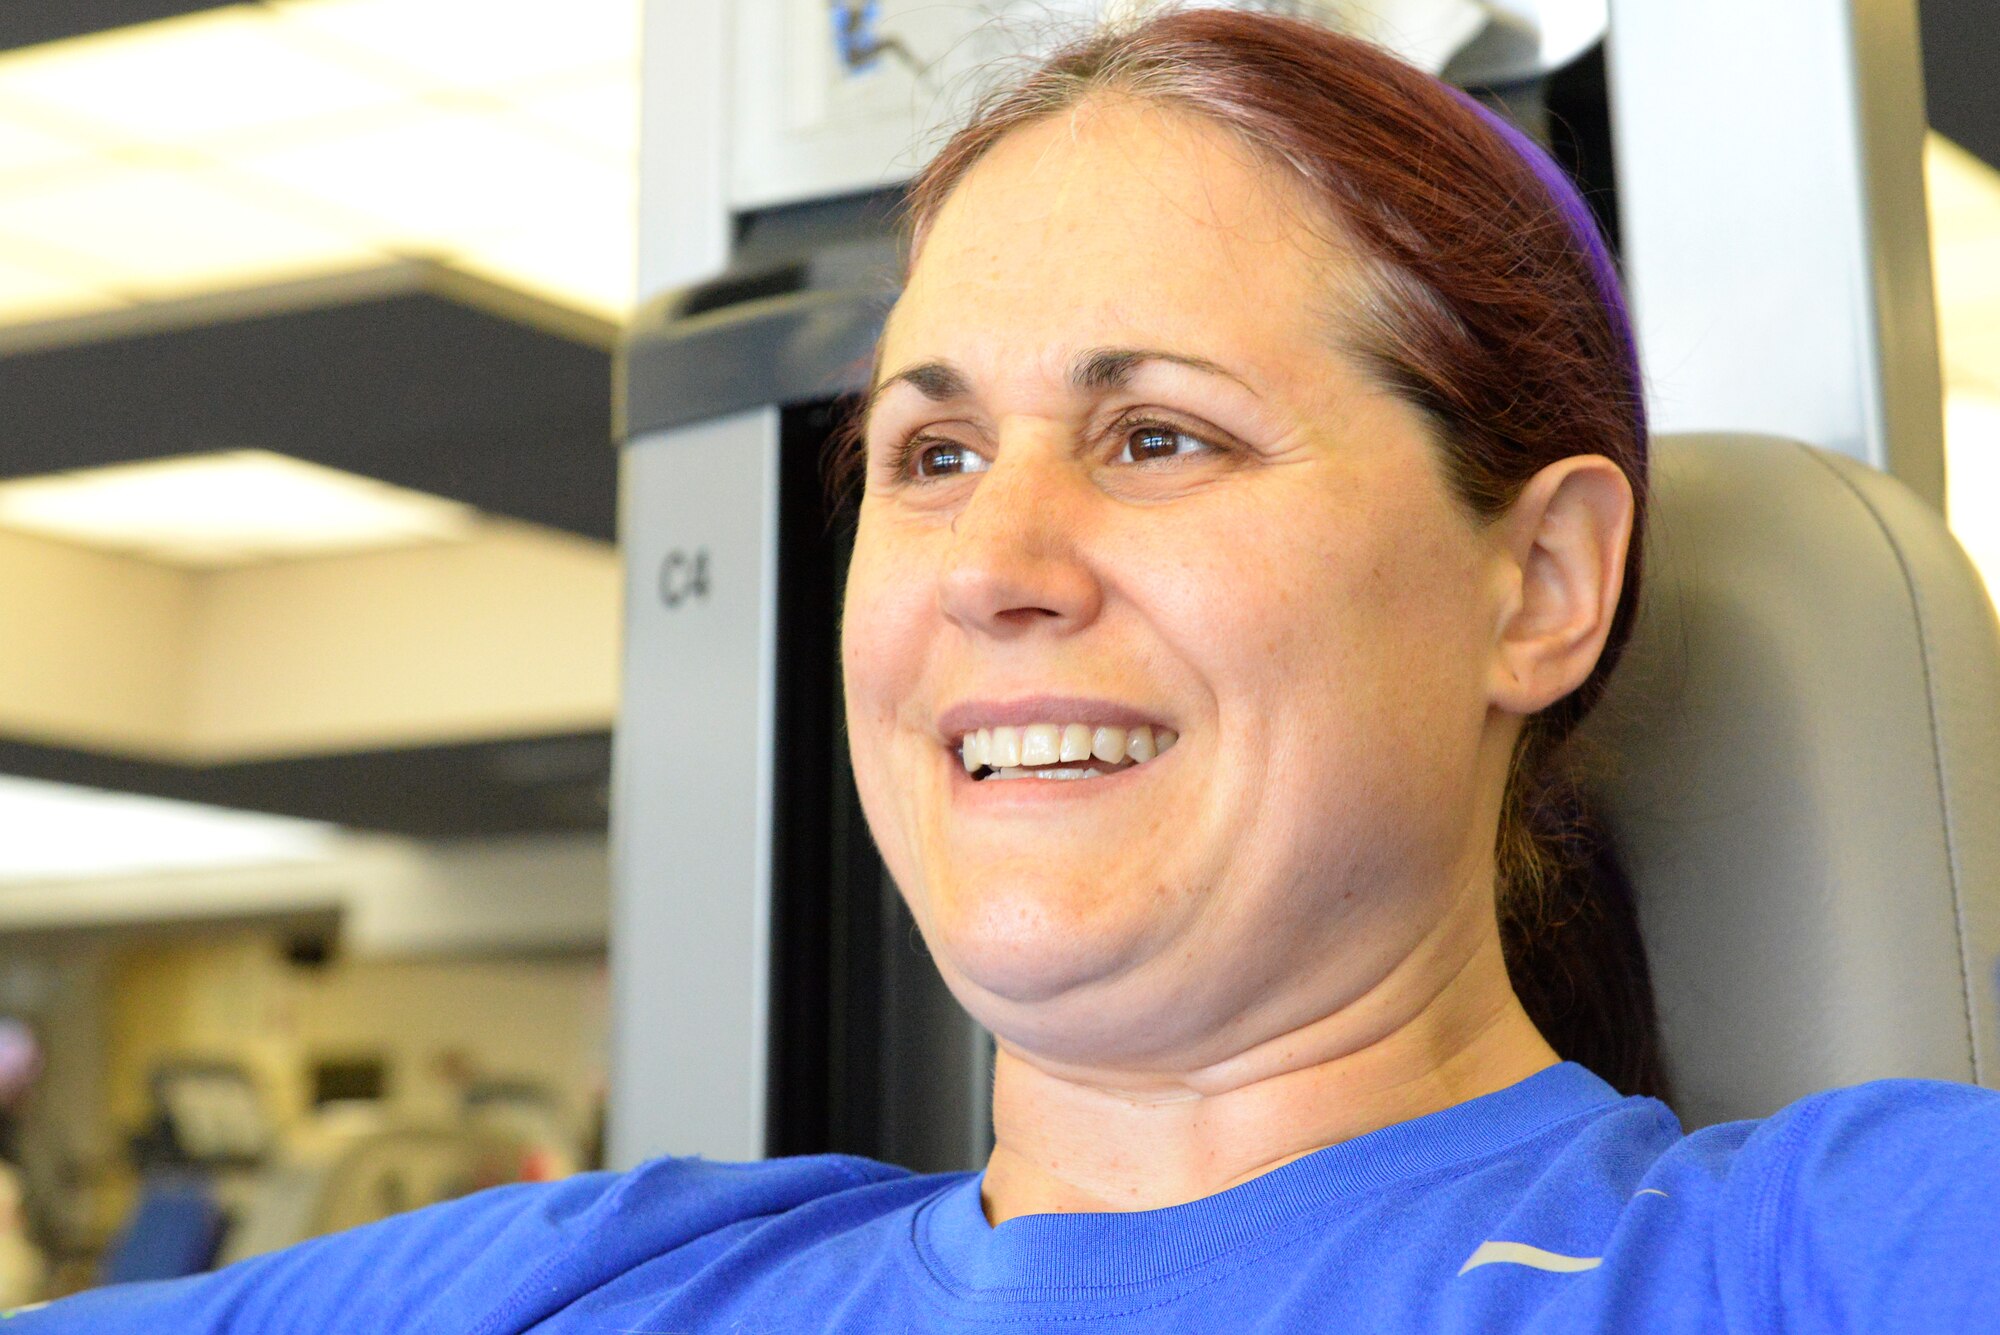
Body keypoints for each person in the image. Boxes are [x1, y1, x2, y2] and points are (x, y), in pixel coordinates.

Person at [14, 9, 1998, 1331]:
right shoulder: (598, 1278)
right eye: (930, 454)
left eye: (1157, 436)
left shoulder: (1819, 1251)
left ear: (1540, 582)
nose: (993, 566)